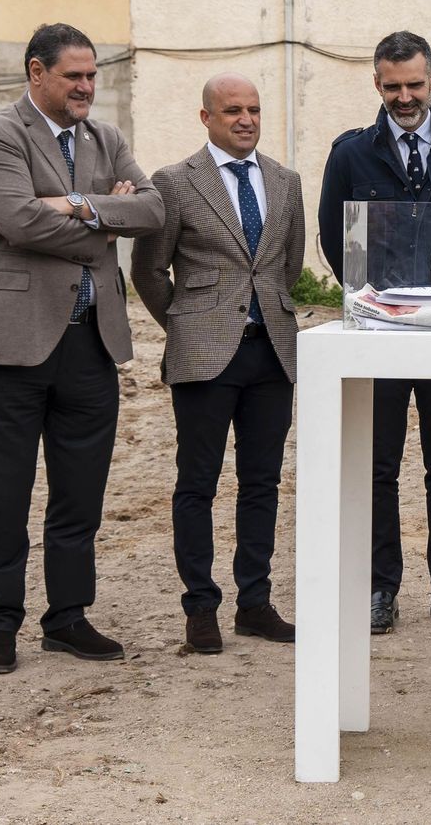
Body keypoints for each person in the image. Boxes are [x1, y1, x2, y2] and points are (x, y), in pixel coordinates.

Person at [0, 22, 165, 674]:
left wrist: (72, 205)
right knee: (2, 495)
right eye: (73, 75)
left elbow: (153, 211)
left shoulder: (107, 138)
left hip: (88, 345)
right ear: (35, 72)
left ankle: (67, 618)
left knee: (80, 495)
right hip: (7, 345)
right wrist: (104, 218)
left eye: (92, 74)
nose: (86, 87)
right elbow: (16, 220)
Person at [317, 30, 431, 635]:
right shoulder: (351, 154)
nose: (405, 96)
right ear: (377, 85)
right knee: (378, 464)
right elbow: (334, 238)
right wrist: (373, 302)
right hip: (380, 334)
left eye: (415, 84)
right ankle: (380, 586)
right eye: (393, 86)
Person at [131, 72, 307, 653]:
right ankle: (200, 610)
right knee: (197, 485)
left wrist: (271, 316)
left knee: (262, 484)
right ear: (206, 116)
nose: (246, 119)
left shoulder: (285, 181)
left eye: (254, 109)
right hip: (204, 355)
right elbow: (149, 270)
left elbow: (286, 266)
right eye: (233, 110)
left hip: (272, 353)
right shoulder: (175, 182)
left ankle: (254, 604)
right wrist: (185, 324)